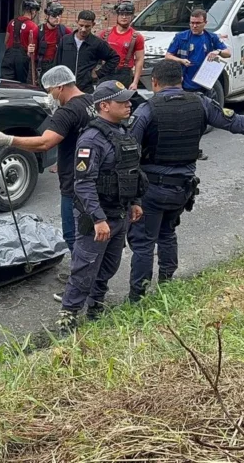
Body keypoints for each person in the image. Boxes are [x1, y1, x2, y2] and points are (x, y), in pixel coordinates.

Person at [126, 59, 244, 301]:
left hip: (151, 190)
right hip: (181, 188)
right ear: (181, 81)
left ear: (154, 82)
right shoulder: (201, 103)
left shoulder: (146, 110)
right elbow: (236, 123)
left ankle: (138, 298)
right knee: (167, 234)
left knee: (144, 243)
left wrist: (128, 195)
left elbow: (129, 152)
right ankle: (167, 285)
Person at [56, 80, 146, 336]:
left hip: (119, 213)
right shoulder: (91, 139)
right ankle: (68, 319)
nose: (129, 105)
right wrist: (98, 219)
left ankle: (96, 308)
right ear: (104, 106)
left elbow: (131, 172)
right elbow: (83, 185)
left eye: (129, 100)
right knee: (84, 269)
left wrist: (135, 203)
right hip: (97, 218)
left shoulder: (122, 132)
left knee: (109, 266)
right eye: (122, 102)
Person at [0, 66, 96, 258]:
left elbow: (45, 142)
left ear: (60, 87)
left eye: (49, 91)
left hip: (74, 181)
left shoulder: (67, 112)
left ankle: (82, 277)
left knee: (72, 235)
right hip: (94, 175)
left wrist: (9, 140)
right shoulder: (92, 101)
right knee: (90, 231)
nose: (50, 95)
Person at [164, 8, 231, 160]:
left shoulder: (211, 37)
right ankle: (178, 149)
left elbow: (228, 52)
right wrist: (180, 61)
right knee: (181, 121)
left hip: (203, 85)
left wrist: (218, 53)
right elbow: (168, 55)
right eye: (192, 23)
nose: (194, 26)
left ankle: (195, 149)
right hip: (184, 86)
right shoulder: (181, 37)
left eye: (197, 23)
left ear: (205, 23)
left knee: (200, 122)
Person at [54, 10, 119, 93]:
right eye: (81, 25)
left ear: (93, 25)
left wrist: (98, 73)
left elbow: (114, 58)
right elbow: (57, 63)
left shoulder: (97, 43)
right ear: (77, 22)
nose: (83, 29)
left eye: (87, 26)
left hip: (85, 88)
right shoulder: (65, 40)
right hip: (65, 87)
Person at [99, 1, 146, 110]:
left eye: (127, 14)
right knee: (103, 103)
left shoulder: (136, 37)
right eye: (121, 14)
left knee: (121, 105)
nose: (124, 17)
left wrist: (135, 82)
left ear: (132, 16)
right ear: (117, 15)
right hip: (105, 72)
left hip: (123, 74)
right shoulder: (105, 34)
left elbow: (139, 60)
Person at [1, 0, 41, 83]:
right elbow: (33, 49)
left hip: (8, 56)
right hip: (22, 59)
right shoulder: (33, 26)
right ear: (33, 11)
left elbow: (6, 41)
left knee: (5, 83)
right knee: (21, 85)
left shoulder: (12, 22)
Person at [37, 1, 71, 77]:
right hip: (43, 67)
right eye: (54, 15)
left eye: (59, 15)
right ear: (47, 16)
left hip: (58, 66)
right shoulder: (39, 31)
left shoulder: (63, 30)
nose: (57, 18)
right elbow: (32, 54)